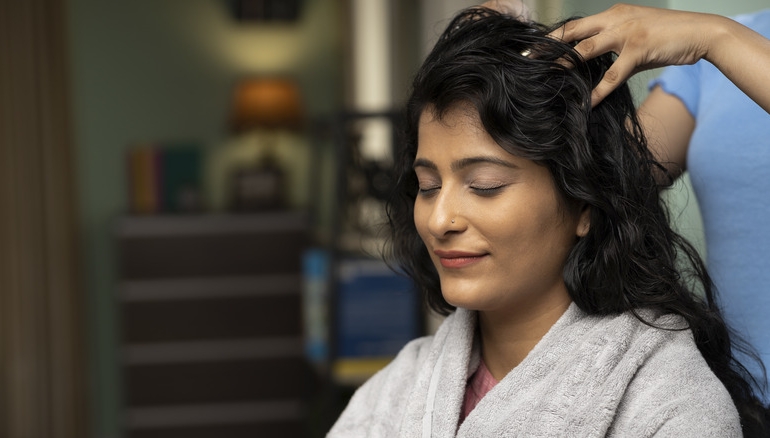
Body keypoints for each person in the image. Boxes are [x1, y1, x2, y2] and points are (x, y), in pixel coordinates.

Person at [328, 7, 769, 437]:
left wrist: (718, 37)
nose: (439, 220)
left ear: (584, 206)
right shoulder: (396, 390)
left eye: (484, 185)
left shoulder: (666, 403)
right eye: (427, 185)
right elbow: (618, 168)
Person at [551, 3, 770, 401]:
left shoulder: (718, 40)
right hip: (736, 399)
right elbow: (611, 179)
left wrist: (718, 38)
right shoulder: (718, 56)